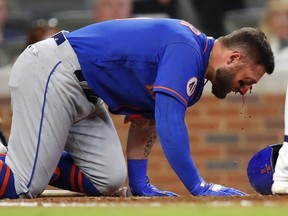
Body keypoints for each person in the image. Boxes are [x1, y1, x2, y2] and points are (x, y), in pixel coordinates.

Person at [0, 18, 274, 199]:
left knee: (107, 181)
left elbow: (148, 122)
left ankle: (32, 156)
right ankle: (25, 160)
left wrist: (139, 185)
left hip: (85, 95)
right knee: (22, 186)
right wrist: (198, 186)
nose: (245, 89)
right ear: (234, 57)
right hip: (54, 70)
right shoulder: (187, 48)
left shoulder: (195, 66)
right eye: (246, 80)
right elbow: (169, 123)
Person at [260, 0, 288, 74]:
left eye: (287, 14)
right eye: (277, 15)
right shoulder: (259, 45)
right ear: (268, 19)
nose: (283, 21)